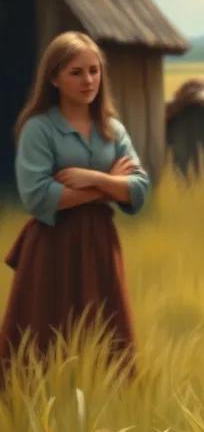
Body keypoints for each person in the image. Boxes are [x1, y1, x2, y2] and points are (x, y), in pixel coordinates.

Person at [0, 32, 150, 382]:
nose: (88, 81)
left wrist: (89, 178)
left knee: (108, 331)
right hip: (52, 243)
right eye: (76, 72)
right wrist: (109, 184)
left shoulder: (112, 129)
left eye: (94, 71)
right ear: (53, 78)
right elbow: (38, 196)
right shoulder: (39, 129)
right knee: (41, 332)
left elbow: (139, 189)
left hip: (99, 242)